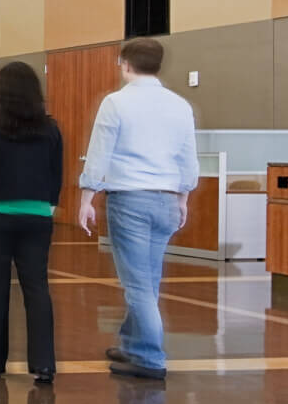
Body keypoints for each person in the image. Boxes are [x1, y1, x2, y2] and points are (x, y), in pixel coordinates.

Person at [77, 37, 198, 383]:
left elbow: (99, 153)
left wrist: (88, 197)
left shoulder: (115, 103)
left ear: (124, 63)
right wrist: (182, 196)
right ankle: (133, 342)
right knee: (148, 279)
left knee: (137, 285)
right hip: (166, 198)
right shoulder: (180, 106)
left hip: (129, 198)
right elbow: (187, 158)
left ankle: (149, 357)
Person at [0, 61, 64, 385]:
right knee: (37, 288)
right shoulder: (50, 129)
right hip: (36, 216)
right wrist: (47, 208)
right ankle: (44, 364)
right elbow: (55, 176)